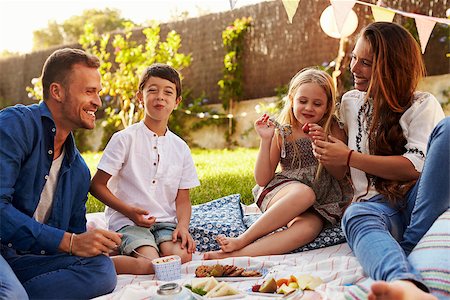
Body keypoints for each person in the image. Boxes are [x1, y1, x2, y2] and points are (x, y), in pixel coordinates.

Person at [313, 22, 448, 300]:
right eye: (353, 57)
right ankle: (404, 283)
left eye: (366, 63)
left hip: (417, 203)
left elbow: (414, 167)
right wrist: (328, 149)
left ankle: (409, 246)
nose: (353, 68)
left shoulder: (422, 104)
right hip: (375, 209)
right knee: (355, 214)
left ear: (392, 68)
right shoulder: (351, 102)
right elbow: (341, 172)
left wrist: (350, 156)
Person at [0, 48, 121, 299]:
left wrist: (89, 244)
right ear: (57, 92)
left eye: (97, 93)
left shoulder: (78, 171)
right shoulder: (16, 125)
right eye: (89, 91)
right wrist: (71, 242)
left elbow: (74, 242)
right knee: (13, 295)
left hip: (25, 261)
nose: (97, 102)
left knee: (101, 270)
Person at [204, 68, 353, 260]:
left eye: (317, 103)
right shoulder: (283, 132)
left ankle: (238, 254)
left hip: (320, 200)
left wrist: (324, 147)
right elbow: (262, 178)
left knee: (309, 229)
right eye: (302, 101)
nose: (309, 108)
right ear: (291, 99)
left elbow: (340, 174)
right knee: (304, 194)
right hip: (285, 193)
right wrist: (265, 141)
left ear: (327, 106)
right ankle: (243, 239)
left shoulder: (333, 129)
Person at [90, 63, 199, 275]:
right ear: (140, 97)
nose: (160, 97)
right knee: (150, 265)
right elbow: (97, 185)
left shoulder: (181, 147)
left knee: (181, 256)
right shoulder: (124, 139)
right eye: (152, 90)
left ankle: (127, 248)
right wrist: (129, 211)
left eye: (168, 92)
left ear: (176, 102)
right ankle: (97, 262)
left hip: (165, 223)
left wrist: (183, 227)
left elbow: (183, 198)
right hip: (128, 221)